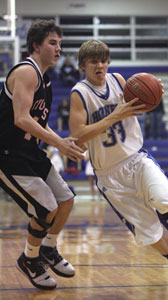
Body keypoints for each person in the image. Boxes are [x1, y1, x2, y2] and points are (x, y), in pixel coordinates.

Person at [69, 39, 168, 287]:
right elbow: (78, 136)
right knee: (147, 231)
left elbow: (142, 101)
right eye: (94, 61)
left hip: (137, 158)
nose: (100, 65)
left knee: (163, 196)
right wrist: (114, 116)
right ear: (84, 65)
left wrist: (154, 91)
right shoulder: (79, 94)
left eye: (104, 60)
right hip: (109, 175)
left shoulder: (119, 81)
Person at [0, 19, 85, 290]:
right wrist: (59, 145)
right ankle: (30, 258)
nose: (59, 49)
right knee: (46, 207)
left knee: (66, 200)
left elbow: (38, 120)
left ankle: (47, 249)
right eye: (52, 43)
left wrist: (60, 139)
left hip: (29, 151)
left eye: (60, 43)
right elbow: (22, 119)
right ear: (36, 46)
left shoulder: (44, 78)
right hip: (8, 154)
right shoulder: (27, 72)